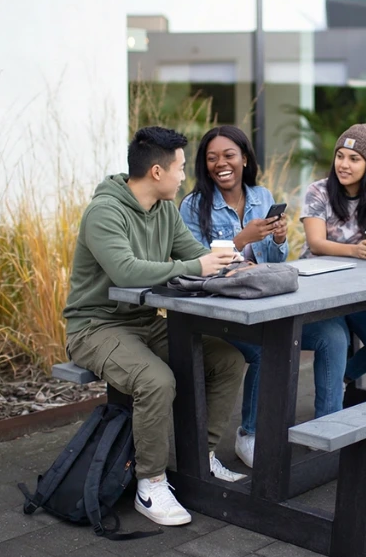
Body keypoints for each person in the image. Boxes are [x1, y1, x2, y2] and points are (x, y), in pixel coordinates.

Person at [63, 125, 247, 528]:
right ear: (157, 172)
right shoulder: (104, 212)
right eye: (180, 168)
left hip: (146, 320)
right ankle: (151, 482)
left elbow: (194, 254)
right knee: (156, 381)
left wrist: (230, 265)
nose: (184, 176)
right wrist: (196, 266)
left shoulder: (164, 209)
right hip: (95, 327)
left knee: (228, 360)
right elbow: (126, 272)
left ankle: (200, 457)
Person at [179, 125, 348, 468]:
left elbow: (274, 263)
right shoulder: (193, 206)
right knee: (265, 348)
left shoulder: (261, 197)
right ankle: (250, 434)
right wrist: (241, 239)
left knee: (333, 335)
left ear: (244, 159)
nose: (220, 164)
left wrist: (279, 239)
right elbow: (194, 267)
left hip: (264, 304)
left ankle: (327, 428)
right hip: (218, 312)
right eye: (212, 158)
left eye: (229, 155)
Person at [300, 122, 366, 407]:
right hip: (321, 285)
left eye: (354, 159)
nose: (344, 165)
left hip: (360, 286)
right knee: (335, 341)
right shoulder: (318, 190)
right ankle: (326, 421)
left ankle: (342, 379)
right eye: (340, 156)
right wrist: (356, 251)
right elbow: (316, 243)